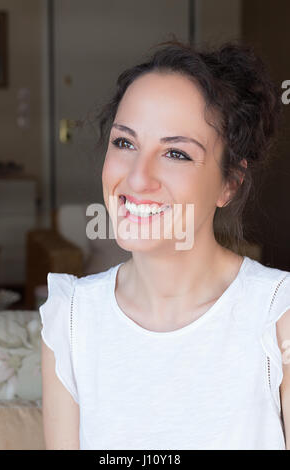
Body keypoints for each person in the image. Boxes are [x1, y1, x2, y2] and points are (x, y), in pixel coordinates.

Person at [40, 39, 290, 450]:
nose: (138, 178)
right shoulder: (70, 320)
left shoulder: (276, 314)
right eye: (125, 143)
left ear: (230, 182)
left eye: (175, 153)